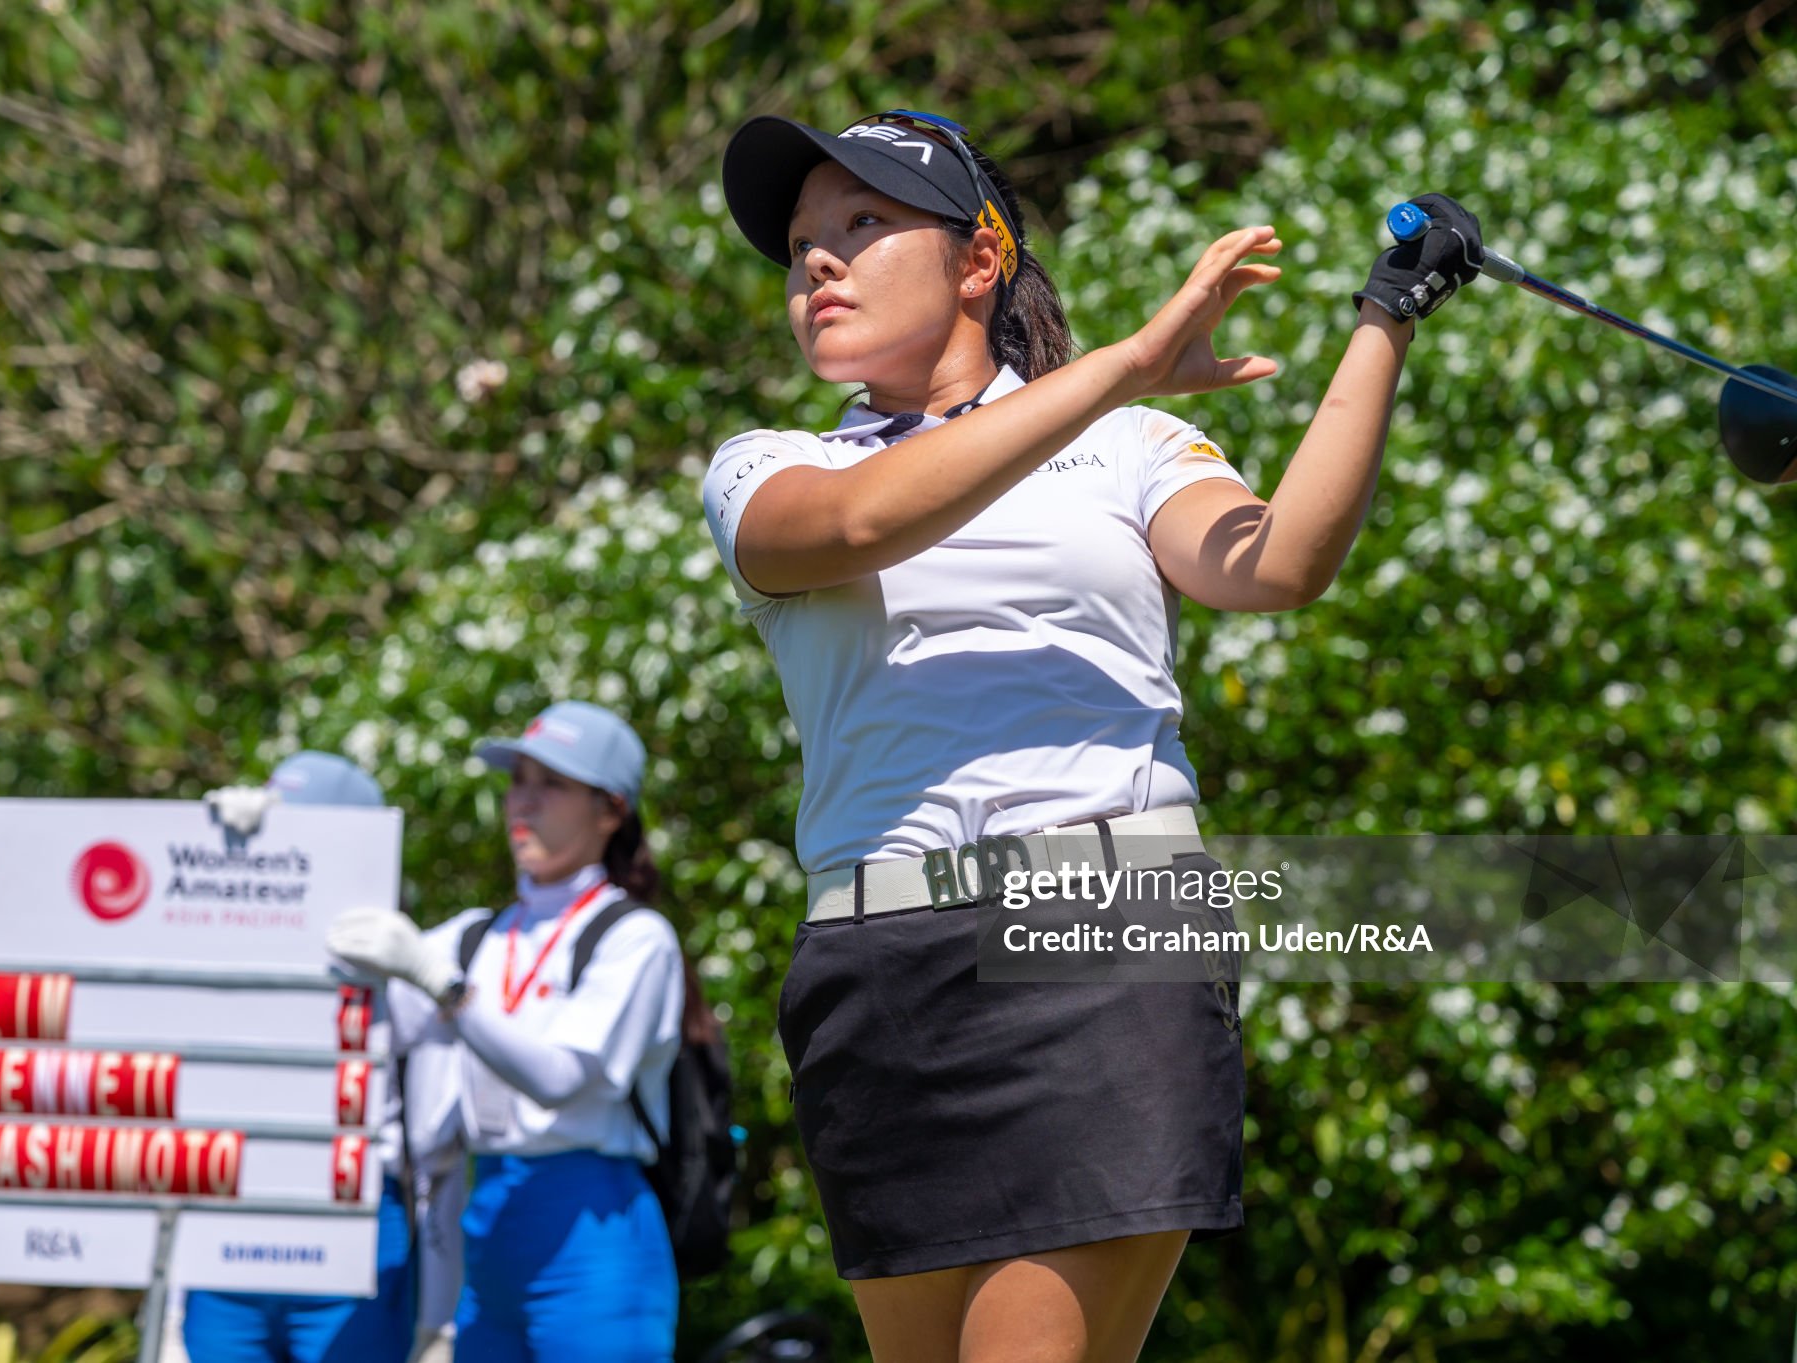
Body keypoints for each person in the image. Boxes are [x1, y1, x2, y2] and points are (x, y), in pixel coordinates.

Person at [704, 109, 1481, 1363]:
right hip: (876, 964)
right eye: (798, 245)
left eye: (861, 224)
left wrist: (1381, 320)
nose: (816, 265)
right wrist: (1117, 363)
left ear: (978, 259)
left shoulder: (1128, 441)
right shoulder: (767, 463)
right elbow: (853, 528)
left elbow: (1273, 563)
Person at [327, 700, 685, 1363]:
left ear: (611, 810)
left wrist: (446, 988)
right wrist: (271, 843)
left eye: (552, 784)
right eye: (518, 779)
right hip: (486, 1223)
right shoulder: (473, 932)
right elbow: (345, 1006)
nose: (524, 801)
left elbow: (560, 1079)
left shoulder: (635, 935)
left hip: (593, 1230)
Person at [188, 750, 425, 1363]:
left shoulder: (402, 953)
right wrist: (205, 849)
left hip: (356, 1221)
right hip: (229, 1223)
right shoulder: (225, 941)